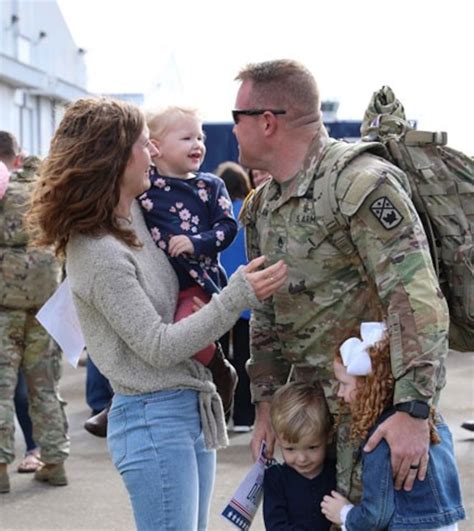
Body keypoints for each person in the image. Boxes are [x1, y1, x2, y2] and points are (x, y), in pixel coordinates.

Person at [25, 97, 287, 530]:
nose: (154, 154)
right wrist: (234, 295)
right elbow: (157, 346)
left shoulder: (137, 221)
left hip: (185, 409)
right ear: (114, 155)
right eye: (145, 145)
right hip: (154, 419)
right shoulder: (99, 251)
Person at [234, 59, 450, 502]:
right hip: (307, 429)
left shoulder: (360, 184)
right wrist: (267, 408)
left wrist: (414, 410)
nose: (234, 129)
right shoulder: (263, 206)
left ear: (268, 122)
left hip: (375, 422)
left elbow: (416, 299)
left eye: (238, 118)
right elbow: (266, 315)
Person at [321, 321, 465, 530]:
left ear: (369, 386)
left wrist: (344, 514)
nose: (340, 394)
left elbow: (376, 515)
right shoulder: (432, 421)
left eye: (344, 384)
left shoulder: (380, 438)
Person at [139, 105, 237, 369]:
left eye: (200, 137)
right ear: (155, 147)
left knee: (191, 341)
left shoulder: (210, 186)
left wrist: (197, 242)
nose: (198, 144)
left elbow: (228, 227)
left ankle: (217, 370)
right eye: (187, 138)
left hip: (196, 282)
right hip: (154, 286)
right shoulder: (144, 185)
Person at [0, 132, 69, 494]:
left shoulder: (3, 189)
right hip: (47, 302)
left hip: (5, 305)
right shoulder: (49, 188)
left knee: (1, 386)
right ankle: (54, 461)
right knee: (44, 384)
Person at [215, 161, 255, 431]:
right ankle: (243, 416)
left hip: (218, 297)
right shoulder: (250, 214)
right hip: (247, 298)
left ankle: (219, 413)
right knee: (244, 358)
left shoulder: (217, 216)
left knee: (217, 359)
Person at [263, 381, 336, 530]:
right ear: (277, 439)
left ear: (328, 436)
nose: (302, 459)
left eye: (312, 447)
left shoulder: (337, 472)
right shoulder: (276, 478)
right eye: (290, 449)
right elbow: (275, 525)